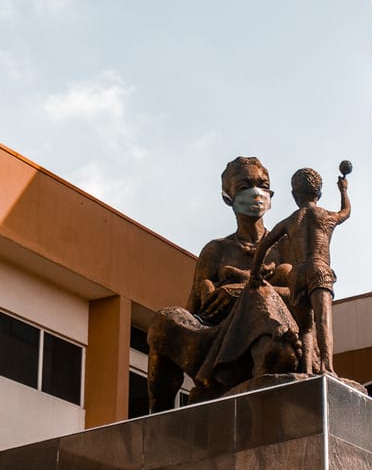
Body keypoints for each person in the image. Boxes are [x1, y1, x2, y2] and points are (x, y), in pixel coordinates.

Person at [145, 157, 298, 410]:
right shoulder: (216, 250)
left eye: (263, 184)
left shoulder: (285, 246)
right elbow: (193, 310)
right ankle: (158, 418)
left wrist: (243, 291)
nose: (255, 192)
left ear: (272, 193)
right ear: (228, 197)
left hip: (272, 333)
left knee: (261, 302)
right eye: (244, 186)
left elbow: (302, 296)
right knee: (165, 321)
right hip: (220, 337)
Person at [249, 163, 350, 376]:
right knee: (322, 319)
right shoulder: (326, 216)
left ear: (295, 195)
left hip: (297, 274)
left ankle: (305, 369)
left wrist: (255, 273)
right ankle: (327, 367)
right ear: (319, 194)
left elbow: (264, 245)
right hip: (319, 270)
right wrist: (344, 190)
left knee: (305, 328)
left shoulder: (291, 221)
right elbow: (346, 212)